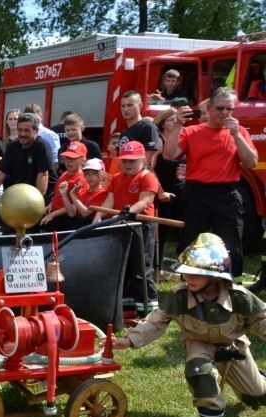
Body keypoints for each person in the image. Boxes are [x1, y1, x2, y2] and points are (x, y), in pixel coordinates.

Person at [112, 233, 266, 417]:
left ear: (215, 275)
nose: (189, 278)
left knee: (256, 393)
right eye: (186, 272)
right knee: (199, 370)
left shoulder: (239, 296)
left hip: (233, 344)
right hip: (200, 343)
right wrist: (129, 339)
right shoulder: (179, 295)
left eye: (197, 274)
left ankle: (258, 378)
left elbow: (262, 319)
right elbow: (157, 320)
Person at [163, 87, 258, 281]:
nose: (225, 113)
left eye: (229, 109)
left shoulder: (238, 131)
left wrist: (237, 136)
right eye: (220, 108)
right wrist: (178, 125)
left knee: (232, 244)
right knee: (190, 241)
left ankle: (232, 287)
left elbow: (251, 162)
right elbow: (169, 155)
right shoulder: (192, 131)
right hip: (197, 193)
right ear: (210, 108)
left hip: (226, 193)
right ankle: (189, 286)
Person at [94, 141, 159, 317]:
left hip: (141, 226)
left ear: (142, 160)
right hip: (121, 225)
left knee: (140, 269)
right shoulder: (117, 178)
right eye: (125, 160)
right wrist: (99, 217)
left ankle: (149, 310)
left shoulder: (147, 177)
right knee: (124, 267)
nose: (128, 164)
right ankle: (128, 307)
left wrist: (126, 213)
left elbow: (145, 201)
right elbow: (109, 201)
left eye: (132, 160)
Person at [0, 112, 56, 206]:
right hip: (20, 197)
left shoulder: (42, 146)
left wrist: (36, 202)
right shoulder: (12, 146)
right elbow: (1, 173)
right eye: (20, 130)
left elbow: (43, 175)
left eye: (27, 130)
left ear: (36, 130)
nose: (22, 134)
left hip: (42, 199)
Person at [153, 108, 185, 280]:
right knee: (162, 232)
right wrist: (160, 191)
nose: (175, 122)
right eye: (172, 120)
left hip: (181, 190)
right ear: (164, 123)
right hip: (163, 190)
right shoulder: (159, 140)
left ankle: (185, 269)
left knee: (183, 229)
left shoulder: (182, 139)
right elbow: (150, 168)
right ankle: (158, 270)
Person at [41, 141, 87, 230]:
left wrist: (52, 214)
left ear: (83, 160)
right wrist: (50, 205)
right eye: (67, 157)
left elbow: (74, 206)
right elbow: (58, 194)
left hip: (66, 219)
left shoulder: (82, 179)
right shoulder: (65, 173)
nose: (69, 161)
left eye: (73, 158)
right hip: (55, 214)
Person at [118, 90, 159, 169]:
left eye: (130, 105)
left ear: (140, 105)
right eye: (123, 106)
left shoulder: (147, 127)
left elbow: (148, 162)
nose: (126, 109)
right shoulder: (123, 134)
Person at [66, 158, 109, 225]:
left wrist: (73, 195)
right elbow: (71, 213)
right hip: (76, 225)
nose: (90, 177)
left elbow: (85, 214)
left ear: (101, 175)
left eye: (94, 173)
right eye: (87, 174)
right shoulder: (81, 191)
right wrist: (64, 194)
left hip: (89, 228)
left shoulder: (102, 193)